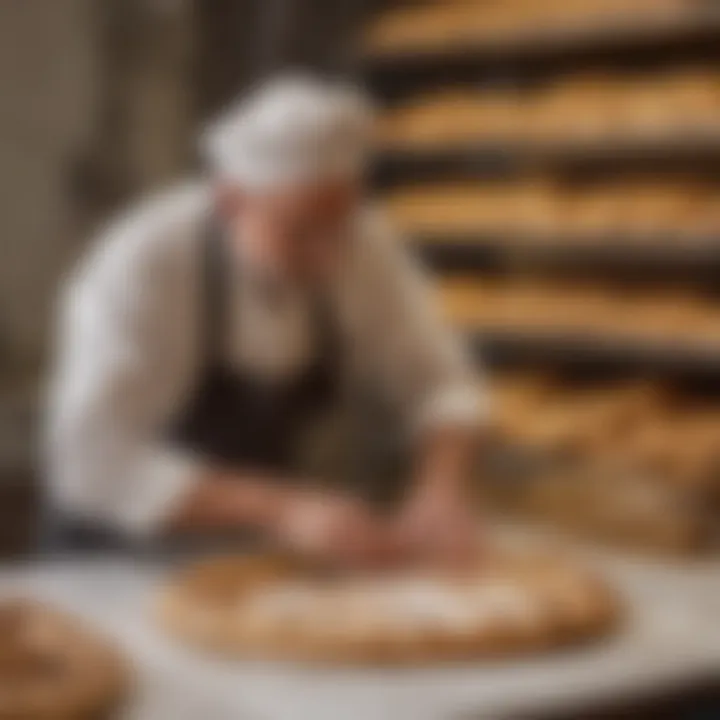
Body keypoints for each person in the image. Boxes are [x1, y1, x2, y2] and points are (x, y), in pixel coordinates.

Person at [45, 75, 486, 567]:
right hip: (113, 557)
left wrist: (441, 489)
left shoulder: (364, 244)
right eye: (299, 232)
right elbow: (91, 461)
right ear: (231, 202)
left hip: (244, 560)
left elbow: (442, 385)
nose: (329, 258)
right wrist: (284, 508)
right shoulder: (145, 263)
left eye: (339, 226)